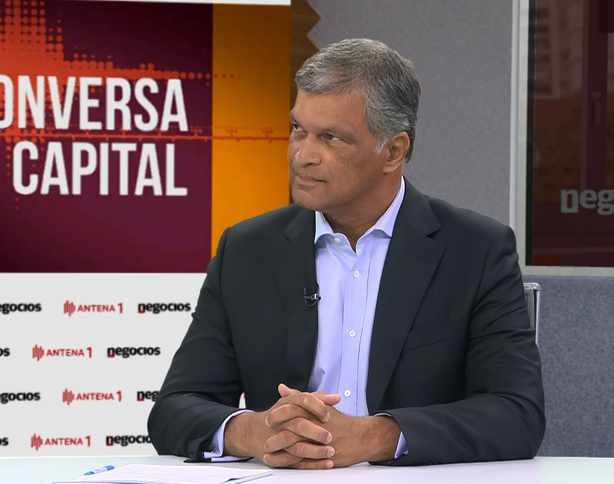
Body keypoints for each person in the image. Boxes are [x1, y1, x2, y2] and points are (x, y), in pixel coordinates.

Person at [148, 38, 545, 468]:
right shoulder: (247, 250)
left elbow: (516, 414)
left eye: (331, 138)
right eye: (298, 129)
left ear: (392, 151)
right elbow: (174, 409)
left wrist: (375, 436)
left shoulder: (475, 250)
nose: (303, 156)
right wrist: (254, 431)